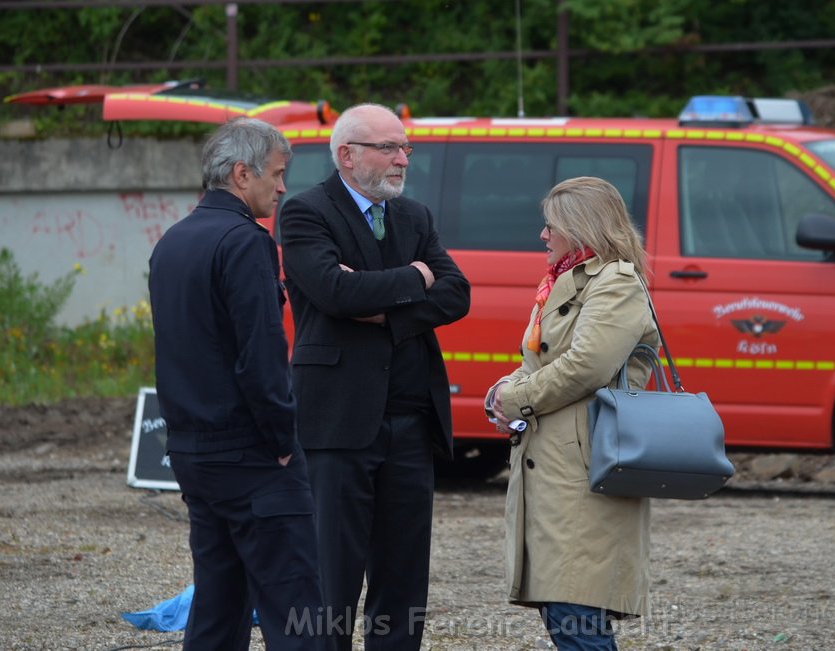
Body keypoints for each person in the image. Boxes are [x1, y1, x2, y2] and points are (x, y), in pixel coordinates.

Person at [277, 103, 470, 650]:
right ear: (347, 155)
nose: (402, 158)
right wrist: (415, 277)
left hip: (410, 421)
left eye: (405, 147)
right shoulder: (306, 214)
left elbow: (456, 293)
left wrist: (384, 302)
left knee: (403, 579)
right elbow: (335, 294)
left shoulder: (414, 216)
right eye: (389, 148)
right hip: (338, 422)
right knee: (332, 577)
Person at [148, 117, 329, 650]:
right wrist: (280, 440)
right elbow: (260, 355)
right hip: (250, 455)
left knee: (217, 604)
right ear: (240, 172)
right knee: (294, 607)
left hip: (192, 452)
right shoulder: (245, 242)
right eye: (276, 174)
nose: (282, 187)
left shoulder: (172, 241)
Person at [485, 176, 660, 650]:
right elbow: (539, 362)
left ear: (582, 227)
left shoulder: (617, 281)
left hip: (583, 473)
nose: (543, 236)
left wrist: (517, 400)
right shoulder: (563, 281)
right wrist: (503, 391)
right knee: (566, 612)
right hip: (557, 472)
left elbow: (587, 367)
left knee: (576, 616)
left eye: (551, 226)